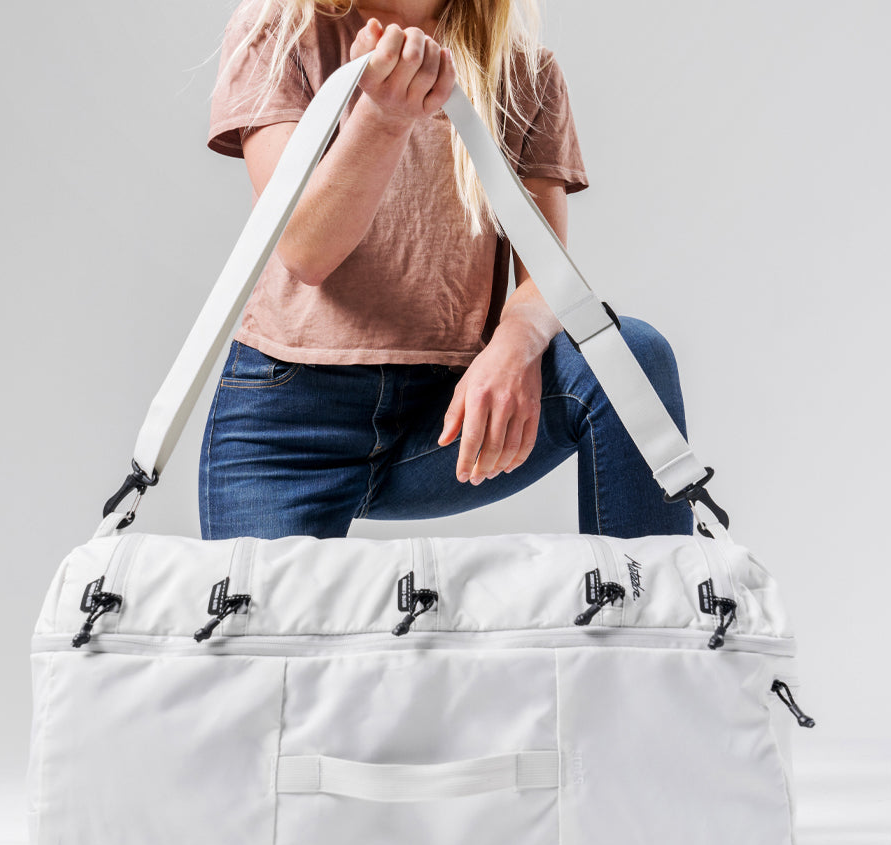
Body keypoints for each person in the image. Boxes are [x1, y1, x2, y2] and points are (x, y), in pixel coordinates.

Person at [200, 0, 693, 541]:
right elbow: (304, 251)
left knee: (633, 356)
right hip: (290, 424)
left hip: (447, 413)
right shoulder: (281, 32)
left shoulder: (523, 72)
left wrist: (516, 344)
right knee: (256, 623)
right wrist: (383, 116)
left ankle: (651, 615)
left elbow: (547, 274)